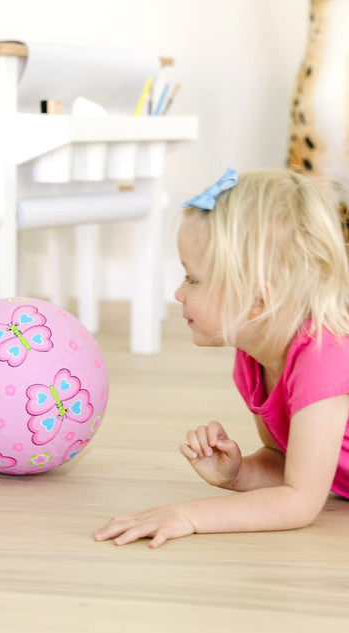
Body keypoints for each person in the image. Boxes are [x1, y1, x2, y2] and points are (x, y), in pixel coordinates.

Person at [95, 166, 349, 548]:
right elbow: (286, 463)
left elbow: (301, 501)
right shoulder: (253, 357)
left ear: (258, 300)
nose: (179, 294)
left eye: (193, 279)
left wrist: (187, 515)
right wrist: (239, 473)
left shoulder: (322, 359)